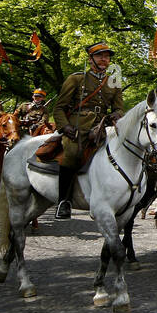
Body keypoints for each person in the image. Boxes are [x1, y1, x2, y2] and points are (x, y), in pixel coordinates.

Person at [52, 43, 124, 219]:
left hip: (102, 127)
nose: (104, 59)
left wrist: (115, 115)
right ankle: (64, 201)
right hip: (78, 126)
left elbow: (120, 109)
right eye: (100, 56)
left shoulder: (113, 82)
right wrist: (65, 126)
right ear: (91, 59)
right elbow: (59, 108)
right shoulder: (77, 79)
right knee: (72, 154)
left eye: (107, 57)